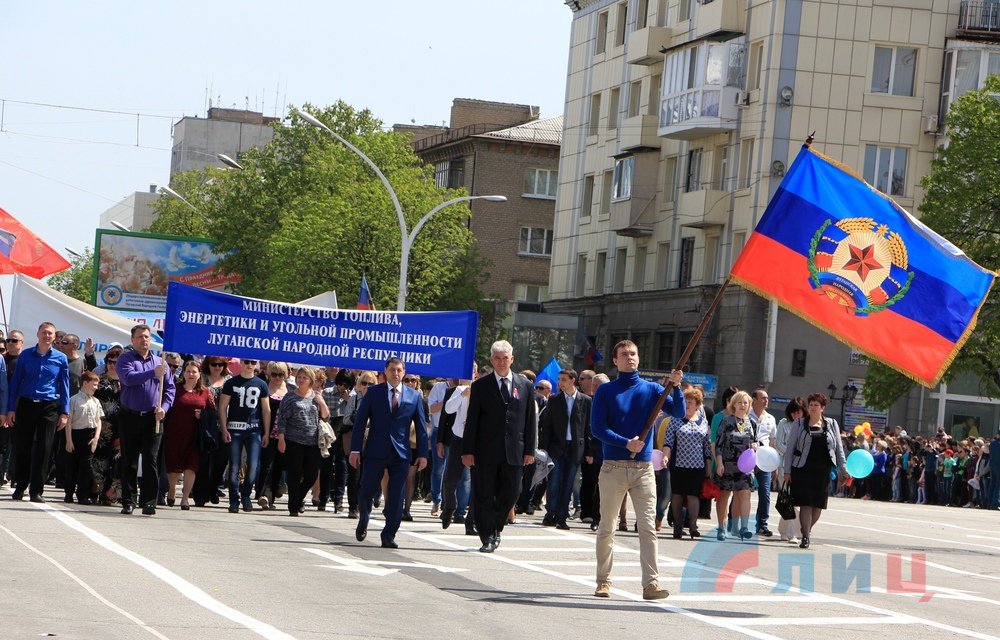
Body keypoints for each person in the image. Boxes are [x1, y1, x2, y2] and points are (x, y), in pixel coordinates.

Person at [591, 339, 682, 600]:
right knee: (607, 526)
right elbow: (597, 428)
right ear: (615, 360)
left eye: (633, 353)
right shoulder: (606, 391)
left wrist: (674, 387)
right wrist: (625, 442)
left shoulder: (653, 389)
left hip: (643, 468)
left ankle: (651, 584)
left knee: (647, 527)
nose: (629, 357)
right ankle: (603, 581)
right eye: (624, 354)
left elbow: (676, 411)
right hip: (613, 467)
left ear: (639, 359)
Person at [462, 340, 537, 554]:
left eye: (506, 358)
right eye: (498, 358)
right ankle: (487, 536)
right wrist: (467, 450)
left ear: (512, 359)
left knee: (513, 491)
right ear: (491, 360)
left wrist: (530, 450)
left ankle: (496, 525)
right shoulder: (480, 386)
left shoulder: (525, 385)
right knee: (484, 494)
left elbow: (530, 420)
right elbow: (472, 420)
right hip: (485, 450)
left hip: (514, 450)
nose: (502, 362)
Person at [350, 358, 429, 549]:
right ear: (385, 372)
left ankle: (389, 535)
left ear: (404, 372)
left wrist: (423, 454)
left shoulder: (414, 396)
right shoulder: (373, 393)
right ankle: (364, 519)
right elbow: (360, 422)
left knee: (396, 496)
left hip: (401, 453)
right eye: (392, 370)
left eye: (399, 370)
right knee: (367, 489)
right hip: (375, 451)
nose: (396, 373)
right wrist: (355, 449)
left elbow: (421, 427)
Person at [115, 324, 175, 515]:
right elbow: (129, 379)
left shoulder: (161, 362)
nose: (144, 340)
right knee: (129, 460)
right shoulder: (125, 359)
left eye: (147, 337)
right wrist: (152, 373)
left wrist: (164, 408)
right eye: (140, 337)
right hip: (129, 416)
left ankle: (149, 501)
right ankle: (129, 500)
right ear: (133, 340)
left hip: (152, 418)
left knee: (150, 460)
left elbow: (170, 390)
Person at [7, 322, 66, 502]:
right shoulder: (26, 355)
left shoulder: (60, 358)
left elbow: (64, 386)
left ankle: (36, 491)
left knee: (44, 448)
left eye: (50, 334)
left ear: (54, 337)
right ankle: (20, 486)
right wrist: (11, 408)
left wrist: (65, 413)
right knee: (22, 446)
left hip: (48, 407)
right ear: (38, 334)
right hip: (26, 404)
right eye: (44, 333)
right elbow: (16, 382)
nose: (47, 336)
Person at [782, 393, 848, 548]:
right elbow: (790, 448)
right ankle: (805, 537)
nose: (812, 407)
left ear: (822, 408)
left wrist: (843, 469)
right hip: (803, 468)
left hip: (823, 469)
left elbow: (839, 449)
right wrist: (787, 471)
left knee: (818, 506)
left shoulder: (831, 424)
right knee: (806, 503)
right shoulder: (799, 423)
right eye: (810, 404)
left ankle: (806, 530)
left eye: (816, 405)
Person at [538, 369, 591, 530]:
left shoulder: (585, 400)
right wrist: (543, 449)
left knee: (568, 482)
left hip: (575, 448)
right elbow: (547, 425)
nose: (560, 383)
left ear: (572, 380)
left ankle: (562, 516)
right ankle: (551, 512)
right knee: (554, 481)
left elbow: (588, 428)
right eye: (559, 379)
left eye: (564, 379)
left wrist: (590, 451)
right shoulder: (554, 399)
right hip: (556, 447)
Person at [274, 367, 329, 516]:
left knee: (311, 475)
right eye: (299, 377)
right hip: (293, 441)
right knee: (294, 474)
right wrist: (281, 438)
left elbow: (325, 416)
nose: (301, 380)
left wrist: (322, 402)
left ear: (311, 380)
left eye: (305, 377)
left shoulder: (315, 397)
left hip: (312, 442)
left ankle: (299, 498)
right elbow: (282, 420)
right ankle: (293, 507)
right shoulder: (290, 397)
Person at [219, 358, 271, 513]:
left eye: (253, 362)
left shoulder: (261, 384)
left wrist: (267, 432)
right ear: (241, 362)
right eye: (247, 361)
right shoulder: (231, 383)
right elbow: (222, 407)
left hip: (254, 429)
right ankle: (234, 500)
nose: (250, 365)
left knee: (253, 466)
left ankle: (246, 494)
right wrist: (223, 428)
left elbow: (266, 410)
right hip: (234, 428)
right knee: (234, 466)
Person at [164, 360, 215, 510]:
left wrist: (203, 416)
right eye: (188, 371)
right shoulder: (175, 389)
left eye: (194, 372)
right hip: (175, 433)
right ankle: (172, 489)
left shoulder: (205, 392)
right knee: (173, 466)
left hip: (195, 436)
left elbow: (213, 414)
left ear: (199, 375)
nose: (191, 374)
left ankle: (185, 498)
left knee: (191, 467)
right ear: (183, 373)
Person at [661, 387, 711, 539]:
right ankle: (677, 526)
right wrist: (665, 456)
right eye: (685, 402)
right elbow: (668, 441)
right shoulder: (675, 420)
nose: (687, 405)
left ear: (697, 405)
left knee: (693, 496)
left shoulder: (703, 422)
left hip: (697, 466)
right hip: (678, 464)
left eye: (690, 402)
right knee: (677, 495)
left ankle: (693, 526)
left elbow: (707, 445)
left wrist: (709, 465)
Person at [714, 391, 758, 541]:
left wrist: (756, 446)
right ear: (733, 404)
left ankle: (744, 527)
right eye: (739, 402)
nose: (742, 405)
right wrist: (719, 463)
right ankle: (722, 527)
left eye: (745, 402)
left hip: (745, 466)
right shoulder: (726, 421)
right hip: (727, 464)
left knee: (745, 494)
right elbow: (718, 445)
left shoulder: (752, 423)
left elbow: (756, 441)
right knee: (724, 496)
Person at [440, 362, 477, 535]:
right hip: (459, 439)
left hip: (477, 441)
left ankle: (471, 520)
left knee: (475, 481)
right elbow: (448, 409)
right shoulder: (459, 390)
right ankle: (449, 507)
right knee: (450, 479)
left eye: (472, 371)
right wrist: (463, 395)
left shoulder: (482, 389)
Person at [192, 356, 230, 507]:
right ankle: (200, 494)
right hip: (204, 425)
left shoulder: (229, 380)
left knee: (221, 461)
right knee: (203, 461)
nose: (217, 367)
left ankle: (214, 489)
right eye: (214, 364)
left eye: (220, 364)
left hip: (223, 426)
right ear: (208, 364)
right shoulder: (201, 379)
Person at [64, 371, 103, 504]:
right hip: (75, 434)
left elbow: (98, 421)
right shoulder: (74, 400)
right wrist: (69, 440)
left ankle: (83, 495)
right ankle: (68, 493)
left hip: (90, 436)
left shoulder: (96, 401)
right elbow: (69, 421)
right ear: (85, 383)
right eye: (94, 385)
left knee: (86, 467)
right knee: (72, 466)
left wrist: (96, 438)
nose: (96, 388)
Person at [341, 371, 376, 518]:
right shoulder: (354, 398)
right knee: (354, 476)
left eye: (371, 383)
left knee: (368, 476)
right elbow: (346, 419)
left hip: (372, 441)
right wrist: (360, 418)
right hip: (355, 441)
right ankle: (352, 507)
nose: (367, 386)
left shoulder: (378, 399)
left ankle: (365, 504)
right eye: (364, 383)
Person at [258, 361, 292, 510]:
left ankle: (270, 498)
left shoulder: (291, 390)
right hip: (268, 433)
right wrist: (264, 433)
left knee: (279, 466)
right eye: (274, 374)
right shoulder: (264, 388)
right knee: (267, 465)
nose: (277, 378)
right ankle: (264, 495)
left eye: (281, 374)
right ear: (268, 374)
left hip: (287, 435)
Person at [774, 397, 805, 543]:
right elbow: (778, 444)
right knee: (788, 498)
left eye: (799, 412)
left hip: (800, 467)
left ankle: (783, 530)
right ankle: (792, 533)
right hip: (784, 466)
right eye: (793, 413)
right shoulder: (783, 424)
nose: (796, 415)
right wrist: (792, 451)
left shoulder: (806, 426)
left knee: (793, 500)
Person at [750, 388, 776, 537]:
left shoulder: (771, 419)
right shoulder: (747, 416)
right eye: (763, 398)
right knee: (742, 491)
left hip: (765, 460)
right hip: (749, 458)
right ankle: (733, 521)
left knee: (765, 493)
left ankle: (762, 524)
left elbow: (772, 442)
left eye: (767, 398)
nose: (766, 400)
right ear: (754, 400)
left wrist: (774, 464)